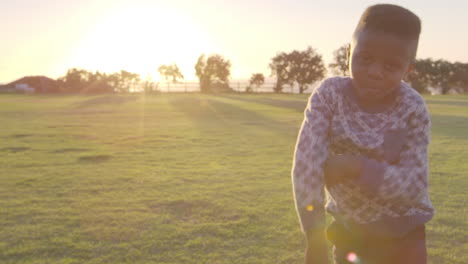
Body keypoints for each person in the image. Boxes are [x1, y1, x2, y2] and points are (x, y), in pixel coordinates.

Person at [291, 4, 434, 264]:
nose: (375, 72)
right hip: (349, 233)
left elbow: (413, 186)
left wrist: (355, 167)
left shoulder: (412, 107)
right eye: (365, 58)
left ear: (408, 69)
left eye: (391, 66)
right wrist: (315, 240)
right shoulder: (329, 95)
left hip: (405, 238)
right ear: (349, 52)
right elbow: (307, 166)